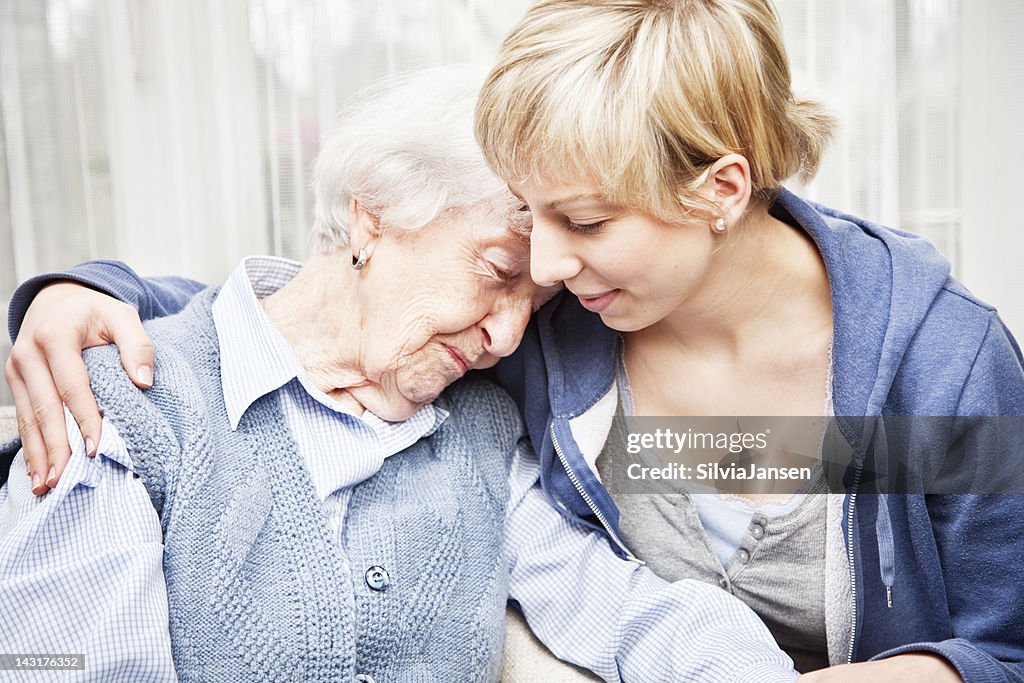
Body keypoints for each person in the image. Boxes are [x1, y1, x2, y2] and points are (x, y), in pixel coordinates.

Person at [5, 0, 1023, 680]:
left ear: (719, 189)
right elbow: (300, 326)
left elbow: (1002, 636)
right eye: (525, 234)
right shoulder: (576, 333)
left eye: (577, 221)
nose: (539, 279)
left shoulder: (929, 371)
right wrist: (79, 289)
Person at [0, 67, 800, 682]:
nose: (508, 332)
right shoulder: (115, 409)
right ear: (371, 215)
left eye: (538, 301)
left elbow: (629, 612)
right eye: (496, 270)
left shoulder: (480, 433)